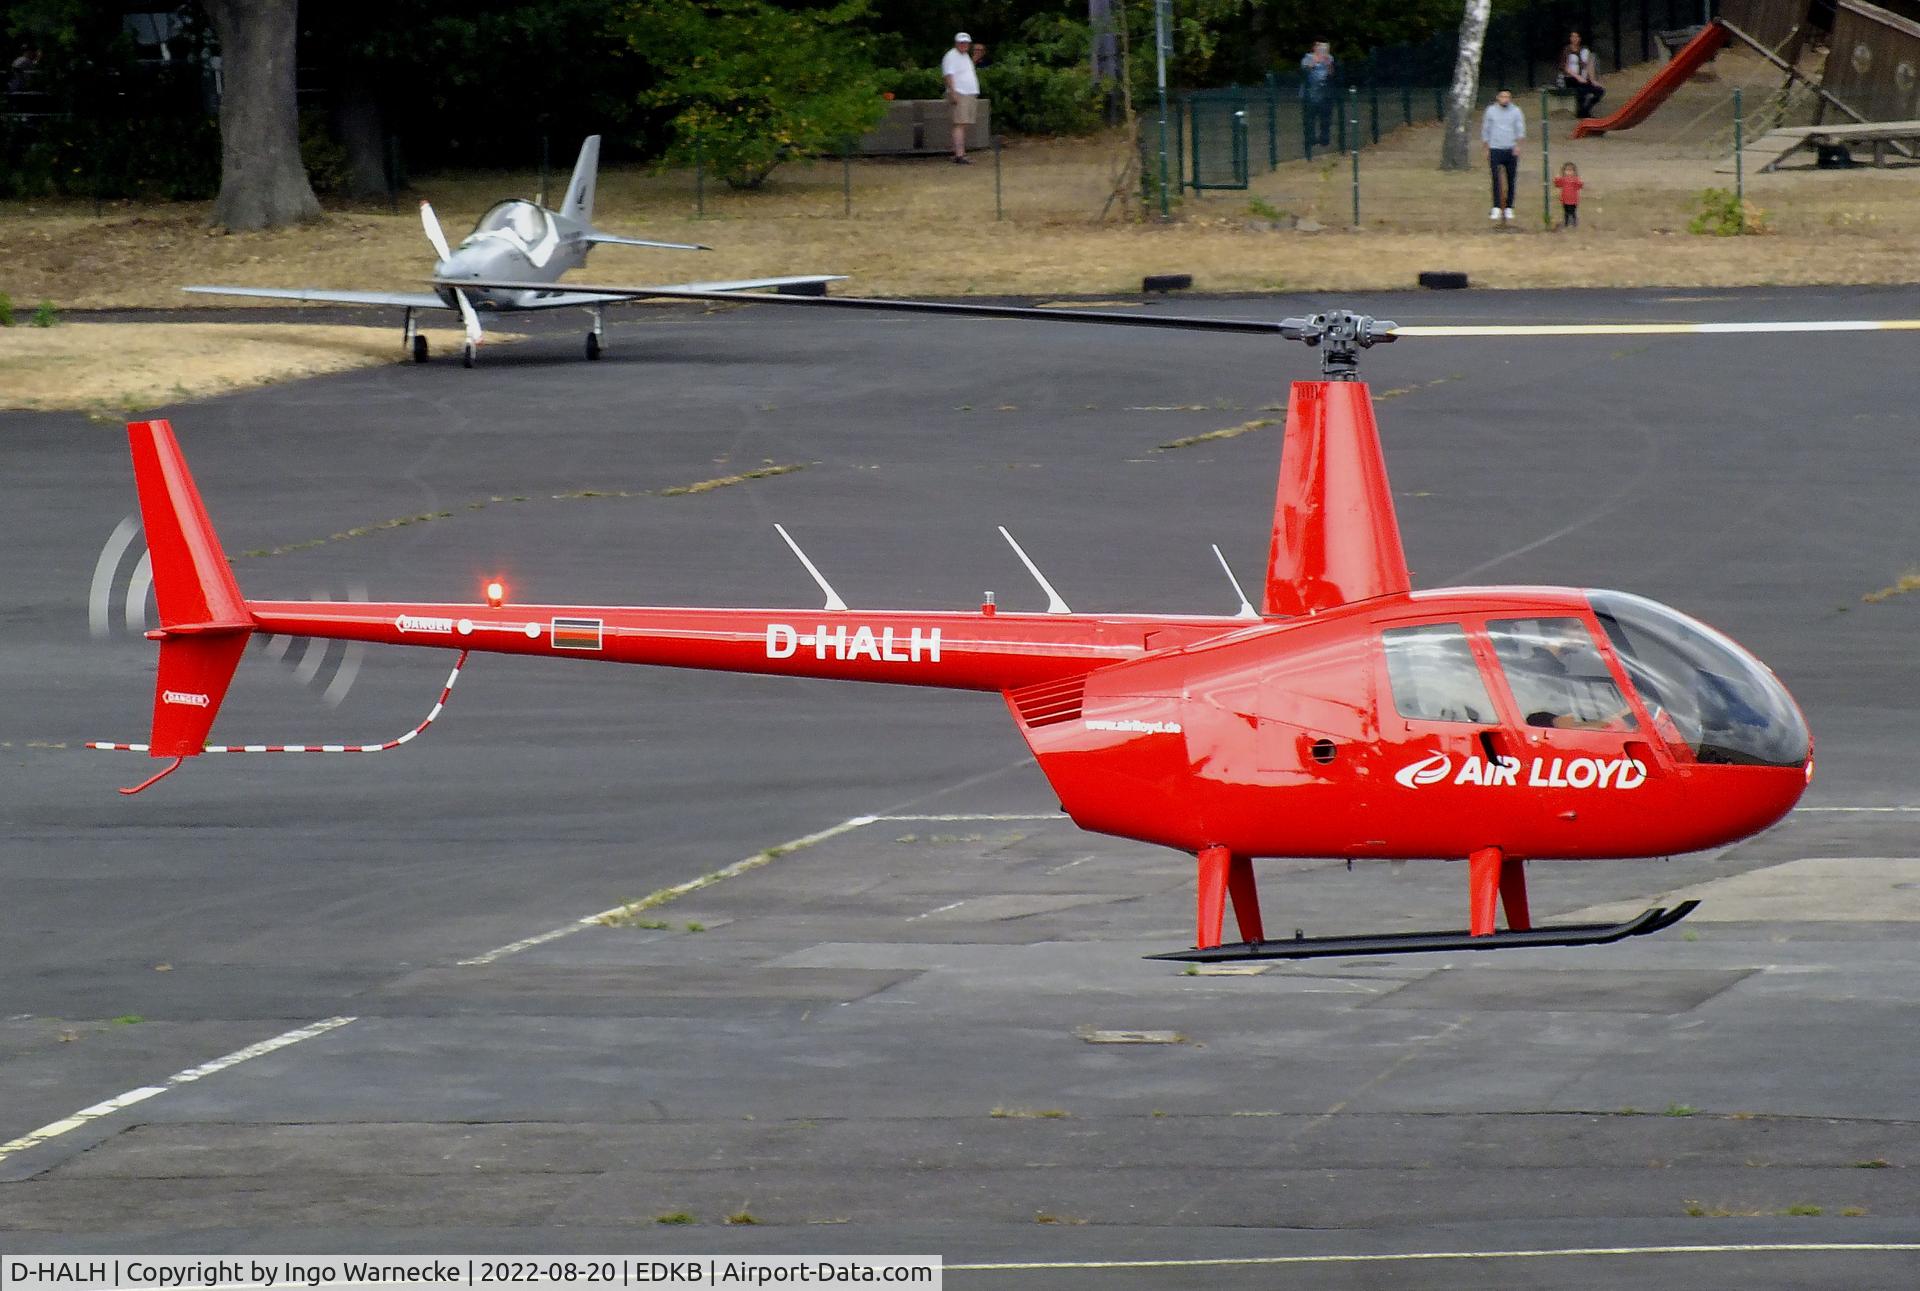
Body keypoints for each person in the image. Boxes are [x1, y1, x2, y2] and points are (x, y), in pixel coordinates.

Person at [1481, 88, 1525, 224]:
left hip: (1510, 148)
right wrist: (1487, 148)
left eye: (1507, 97)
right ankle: (1496, 207)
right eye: (1502, 96)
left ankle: (1509, 207)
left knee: (1511, 178)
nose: (1505, 99)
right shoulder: (1490, 111)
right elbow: (1486, 129)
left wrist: (1518, 146)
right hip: (1495, 148)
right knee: (1495, 178)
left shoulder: (1516, 111)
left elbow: (1520, 129)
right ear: (1498, 97)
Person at [941, 31, 983, 165]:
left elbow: (965, 71)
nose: (964, 45)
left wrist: (974, 60)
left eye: (966, 43)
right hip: (960, 92)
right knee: (959, 123)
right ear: (956, 43)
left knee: (963, 123)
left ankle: (959, 152)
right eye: (961, 42)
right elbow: (948, 75)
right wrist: (953, 92)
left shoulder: (964, 56)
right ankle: (959, 155)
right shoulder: (951, 56)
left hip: (968, 93)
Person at [1560, 32, 1605, 120]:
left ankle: (1584, 111)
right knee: (1581, 90)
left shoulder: (1584, 50)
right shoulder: (1567, 50)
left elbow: (1589, 65)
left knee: (1599, 91)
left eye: (1576, 37)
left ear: (1580, 38)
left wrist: (1592, 80)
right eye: (1572, 36)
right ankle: (1582, 112)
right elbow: (1566, 68)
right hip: (1570, 78)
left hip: (1582, 79)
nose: (1574, 39)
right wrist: (1577, 77)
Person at [1299, 41, 1336, 149]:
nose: (1322, 50)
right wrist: (1315, 61)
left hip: (1324, 93)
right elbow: (1304, 72)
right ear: (1314, 48)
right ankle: (1311, 140)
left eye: (1324, 48)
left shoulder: (1329, 58)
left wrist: (1328, 63)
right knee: (1309, 118)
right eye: (1320, 47)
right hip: (1310, 93)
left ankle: (1324, 139)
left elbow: (1331, 74)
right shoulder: (1307, 58)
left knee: (1325, 118)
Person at [1553, 161, 1584, 228]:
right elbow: (1557, 184)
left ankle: (1574, 223)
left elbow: (1579, 186)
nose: (1569, 172)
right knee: (1566, 212)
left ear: (1574, 171)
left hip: (1573, 200)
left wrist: (1580, 182)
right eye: (1567, 170)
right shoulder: (1563, 179)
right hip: (1565, 200)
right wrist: (1556, 179)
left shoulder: (1575, 179)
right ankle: (1566, 223)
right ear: (1564, 171)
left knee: (1572, 212)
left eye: (1571, 170)